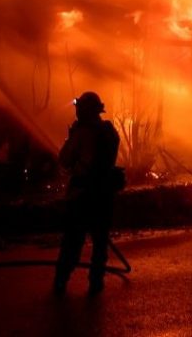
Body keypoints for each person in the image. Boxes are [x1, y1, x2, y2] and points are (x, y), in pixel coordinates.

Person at [53, 91, 120, 296]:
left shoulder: (82, 133)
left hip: (82, 197)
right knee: (100, 243)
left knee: (73, 242)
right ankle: (96, 283)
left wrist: (72, 135)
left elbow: (64, 160)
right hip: (104, 196)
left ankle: (61, 282)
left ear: (84, 111)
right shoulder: (110, 132)